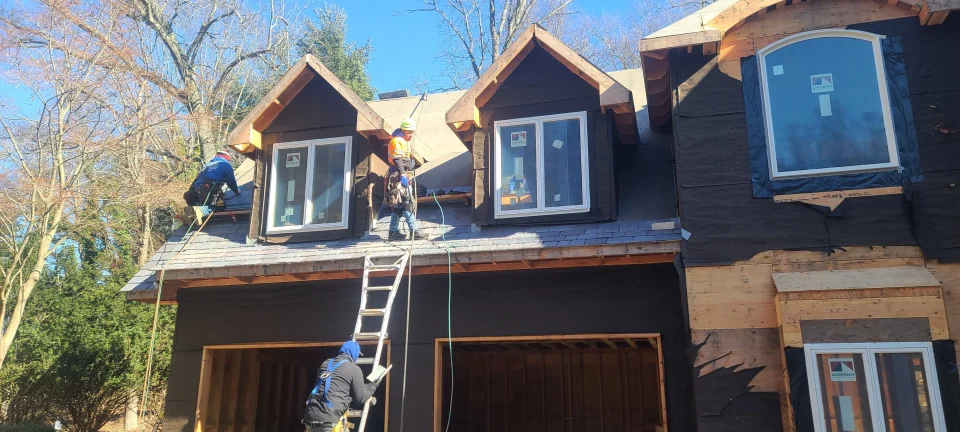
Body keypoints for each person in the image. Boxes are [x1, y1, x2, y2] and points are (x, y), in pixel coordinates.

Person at [303, 341, 381, 432]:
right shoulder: (354, 368)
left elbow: (335, 385)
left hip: (310, 414)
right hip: (328, 418)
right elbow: (360, 398)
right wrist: (373, 386)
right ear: (354, 354)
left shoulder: (326, 363)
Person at [385, 118, 427, 241]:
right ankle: (414, 231)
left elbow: (403, 159)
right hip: (398, 177)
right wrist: (403, 174)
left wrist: (410, 163)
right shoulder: (397, 141)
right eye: (409, 132)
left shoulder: (403, 141)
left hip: (400, 175)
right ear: (403, 131)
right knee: (408, 202)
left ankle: (393, 232)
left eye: (412, 133)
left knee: (398, 205)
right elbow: (397, 159)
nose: (411, 135)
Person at [184, 150, 240, 217]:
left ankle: (194, 210)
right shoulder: (225, 165)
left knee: (204, 204)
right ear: (227, 158)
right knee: (219, 206)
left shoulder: (207, 164)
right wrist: (236, 191)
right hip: (209, 187)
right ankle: (200, 211)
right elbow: (231, 182)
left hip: (196, 187)